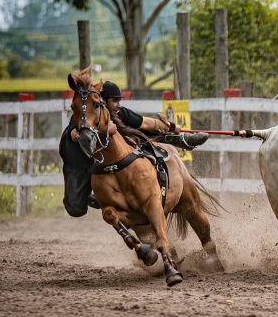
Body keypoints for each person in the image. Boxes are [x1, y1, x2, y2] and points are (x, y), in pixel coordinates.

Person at [59, 80, 208, 217]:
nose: (118, 105)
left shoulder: (120, 113)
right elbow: (74, 133)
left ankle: (181, 139)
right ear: (102, 101)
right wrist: (94, 132)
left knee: (141, 133)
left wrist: (171, 126)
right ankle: (90, 194)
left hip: (114, 159)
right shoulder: (84, 117)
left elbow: (145, 123)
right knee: (77, 204)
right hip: (88, 160)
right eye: (114, 101)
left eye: (119, 101)